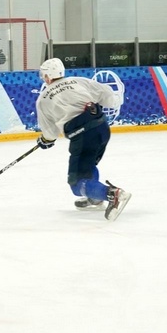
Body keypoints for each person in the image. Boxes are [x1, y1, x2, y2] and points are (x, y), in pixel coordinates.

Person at [34, 58, 131, 221]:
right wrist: (113, 102)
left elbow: (50, 134)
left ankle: (112, 194)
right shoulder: (78, 81)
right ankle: (95, 197)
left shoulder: (43, 99)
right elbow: (106, 92)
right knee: (88, 164)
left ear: (47, 77)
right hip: (102, 128)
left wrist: (45, 140)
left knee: (76, 183)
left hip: (83, 136)